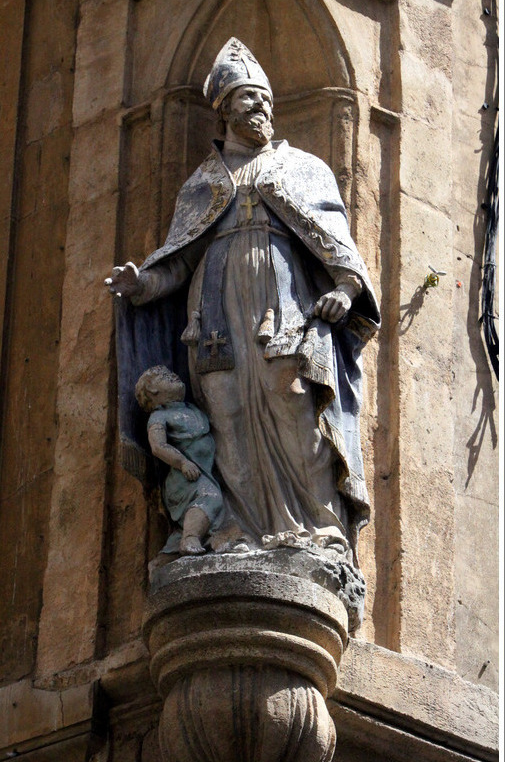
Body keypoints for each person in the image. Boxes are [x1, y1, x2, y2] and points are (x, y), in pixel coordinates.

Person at [106, 38, 380, 563]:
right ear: (225, 109)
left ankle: (319, 526)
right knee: (225, 414)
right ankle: (233, 528)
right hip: (214, 312)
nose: (262, 110)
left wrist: (344, 290)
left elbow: (334, 239)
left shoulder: (304, 167)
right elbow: (180, 260)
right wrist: (141, 285)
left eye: (266, 101)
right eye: (249, 100)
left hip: (286, 306)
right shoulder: (205, 182)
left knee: (297, 400)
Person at [135, 365, 224, 556]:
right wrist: (182, 463)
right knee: (210, 497)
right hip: (185, 479)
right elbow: (158, 446)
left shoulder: (191, 408)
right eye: (165, 376)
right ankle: (190, 538)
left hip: (203, 472)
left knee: (210, 504)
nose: (174, 375)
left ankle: (173, 548)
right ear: (152, 391)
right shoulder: (159, 417)